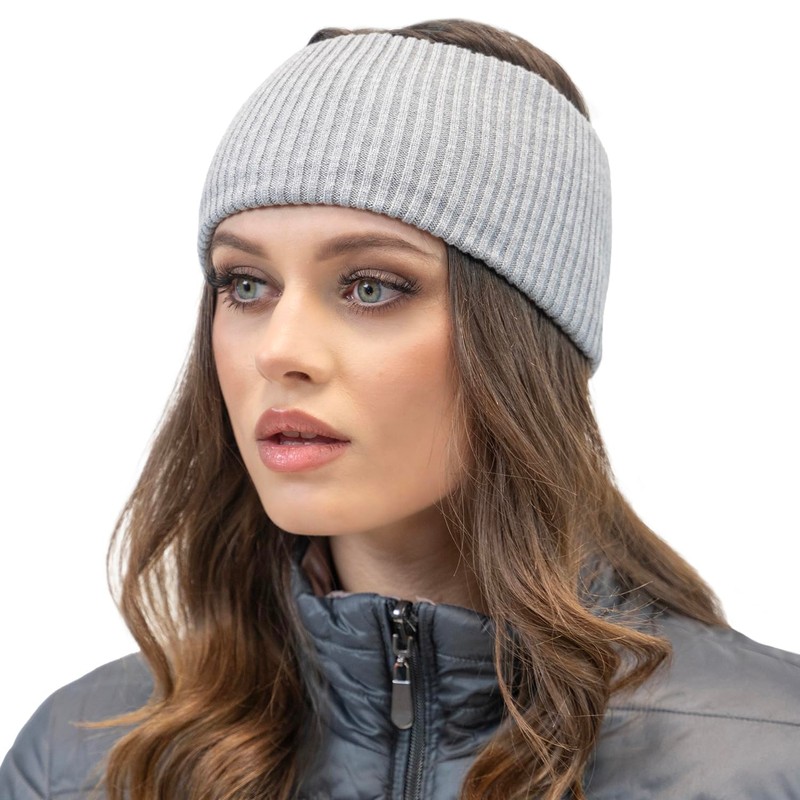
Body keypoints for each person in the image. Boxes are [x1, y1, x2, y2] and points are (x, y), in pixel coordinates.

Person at [1, 18, 798, 800]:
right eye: (246, 284)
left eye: (371, 287)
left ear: (526, 340)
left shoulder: (764, 757)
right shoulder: (86, 760)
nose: (279, 349)